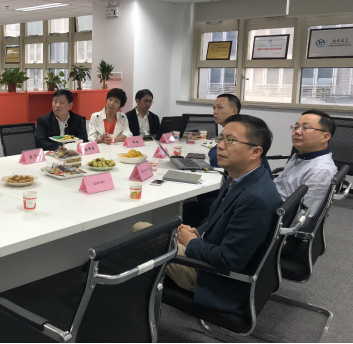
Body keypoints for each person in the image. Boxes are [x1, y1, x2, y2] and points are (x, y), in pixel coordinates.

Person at [132, 115, 283, 316]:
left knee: (139, 230)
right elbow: (218, 220)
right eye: (221, 139)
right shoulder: (243, 179)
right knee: (155, 231)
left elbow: (229, 260)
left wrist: (192, 242)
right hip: (209, 252)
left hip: (214, 277)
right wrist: (196, 231)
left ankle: (130, 303)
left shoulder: (254, 199)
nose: (220, 146)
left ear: (255, 152)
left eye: (231, 140)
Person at [183, 94, 272, 227]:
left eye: (220, 108)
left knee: (195, 205)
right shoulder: (234, 179)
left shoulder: (254, 198)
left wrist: (194, 238)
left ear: (234, 111)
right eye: (213, 108)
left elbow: (214, 158)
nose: (215, 112)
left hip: (247, 192)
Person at [275, 110, 338, 253]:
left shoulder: (320, 171)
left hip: (281, 231)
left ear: (325, 137)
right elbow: (281, 183)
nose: (297, 131)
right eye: (296, 127)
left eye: (306, 128)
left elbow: (303, 217)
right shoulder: (301, 155)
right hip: (274, 204)